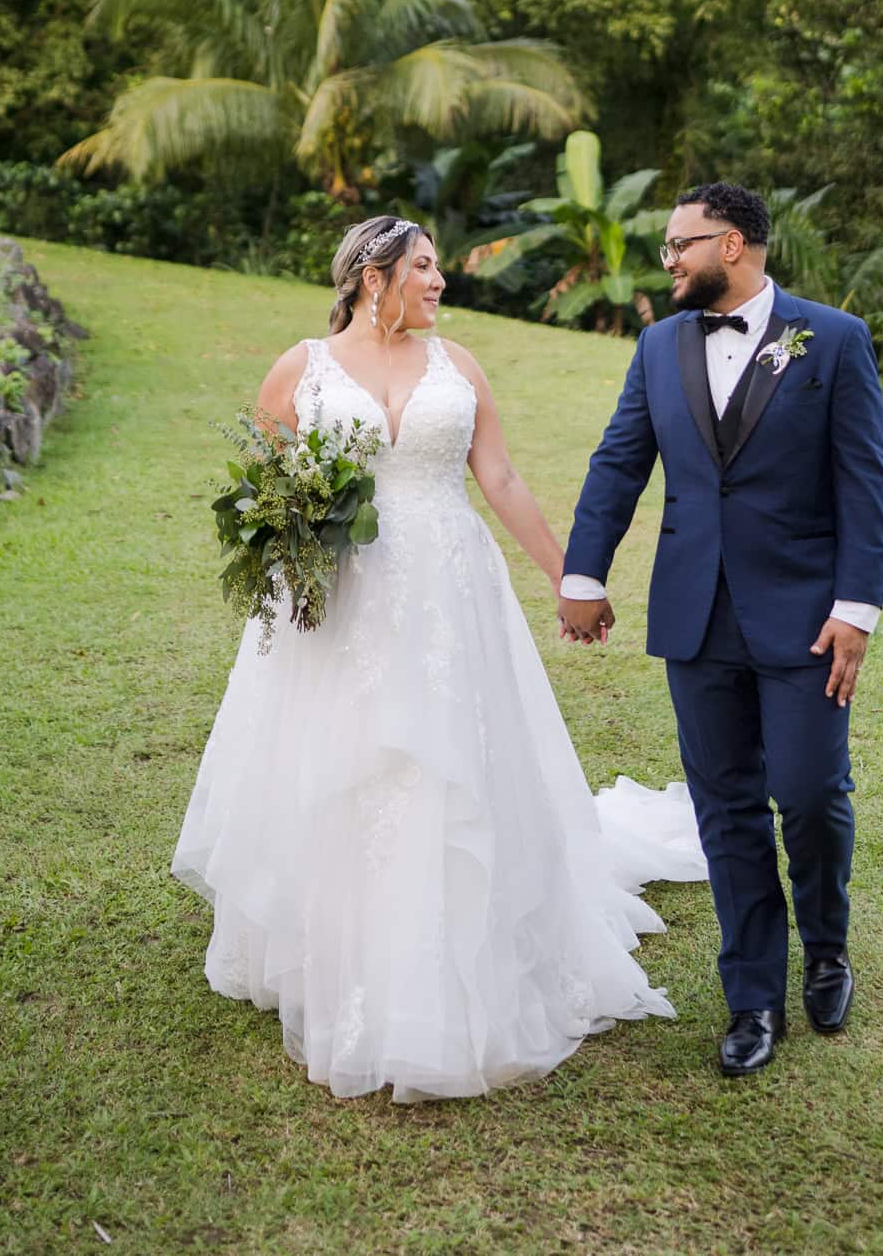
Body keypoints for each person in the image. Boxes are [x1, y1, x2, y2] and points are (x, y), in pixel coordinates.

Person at [171, 214, 705, 1103]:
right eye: (424, 267)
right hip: (339, 603)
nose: (439, 281)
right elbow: (265, 490)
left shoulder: (460, 368)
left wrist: (570, 578)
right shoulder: (298, 369)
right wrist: (291, 548)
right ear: (373, 275)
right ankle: (343, 944)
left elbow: (498, 477)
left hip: (451, 596)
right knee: (346, 763)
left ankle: (457, 936)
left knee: (449, 764)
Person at [558, 181, 883, 1077]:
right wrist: (583, 572)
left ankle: (827, 945)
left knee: (811, 794)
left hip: (807, 622)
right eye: (667, 246)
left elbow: (865, 484)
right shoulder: (659, 345)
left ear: (735, 244)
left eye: (682, 244)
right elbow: (619, 461)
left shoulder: (832, 340)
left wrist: (855, 610)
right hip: (695, 618)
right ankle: (753, 997)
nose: (668, 260)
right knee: (726, 811)